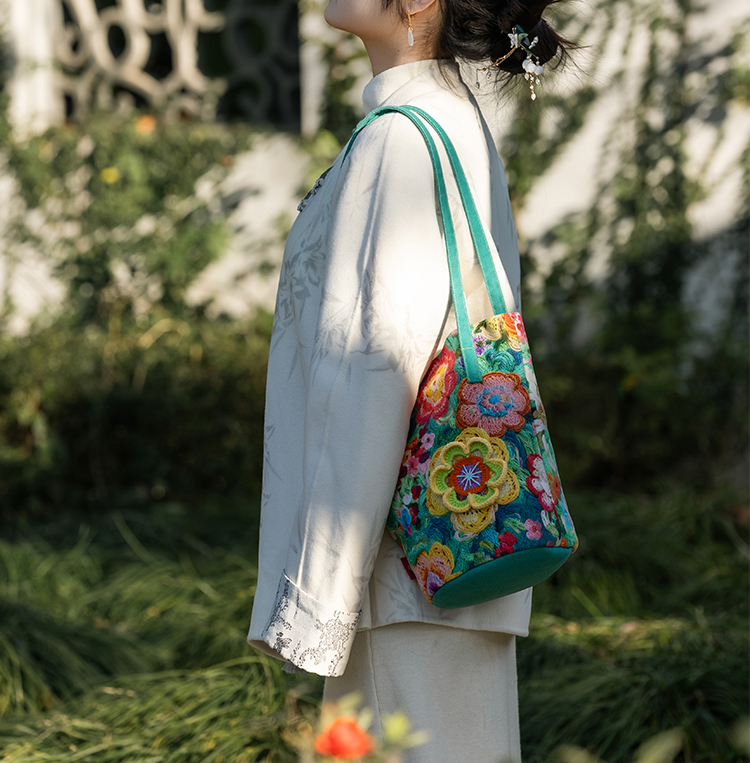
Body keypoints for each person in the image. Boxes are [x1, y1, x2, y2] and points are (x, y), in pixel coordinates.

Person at [247, 1, 573, 760]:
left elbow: (368, 369)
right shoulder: (448, 120)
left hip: (397, 574)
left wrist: (317, 599)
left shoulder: (398, 137)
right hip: (448, 547)